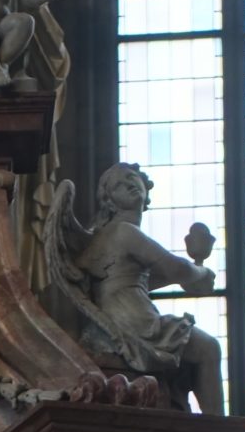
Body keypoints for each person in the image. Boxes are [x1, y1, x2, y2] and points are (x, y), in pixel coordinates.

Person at [70, 163, 223, 415]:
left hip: (121, 314)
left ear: (146, 189)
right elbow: (176, 269)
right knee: (208, 348)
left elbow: (150, 278)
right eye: (120, 183)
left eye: (133, 178)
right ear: (109, 200)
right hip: (132, 320)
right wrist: (200, 272)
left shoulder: (109, 235)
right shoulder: (123, 231)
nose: (130, 183)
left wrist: (193, 272)